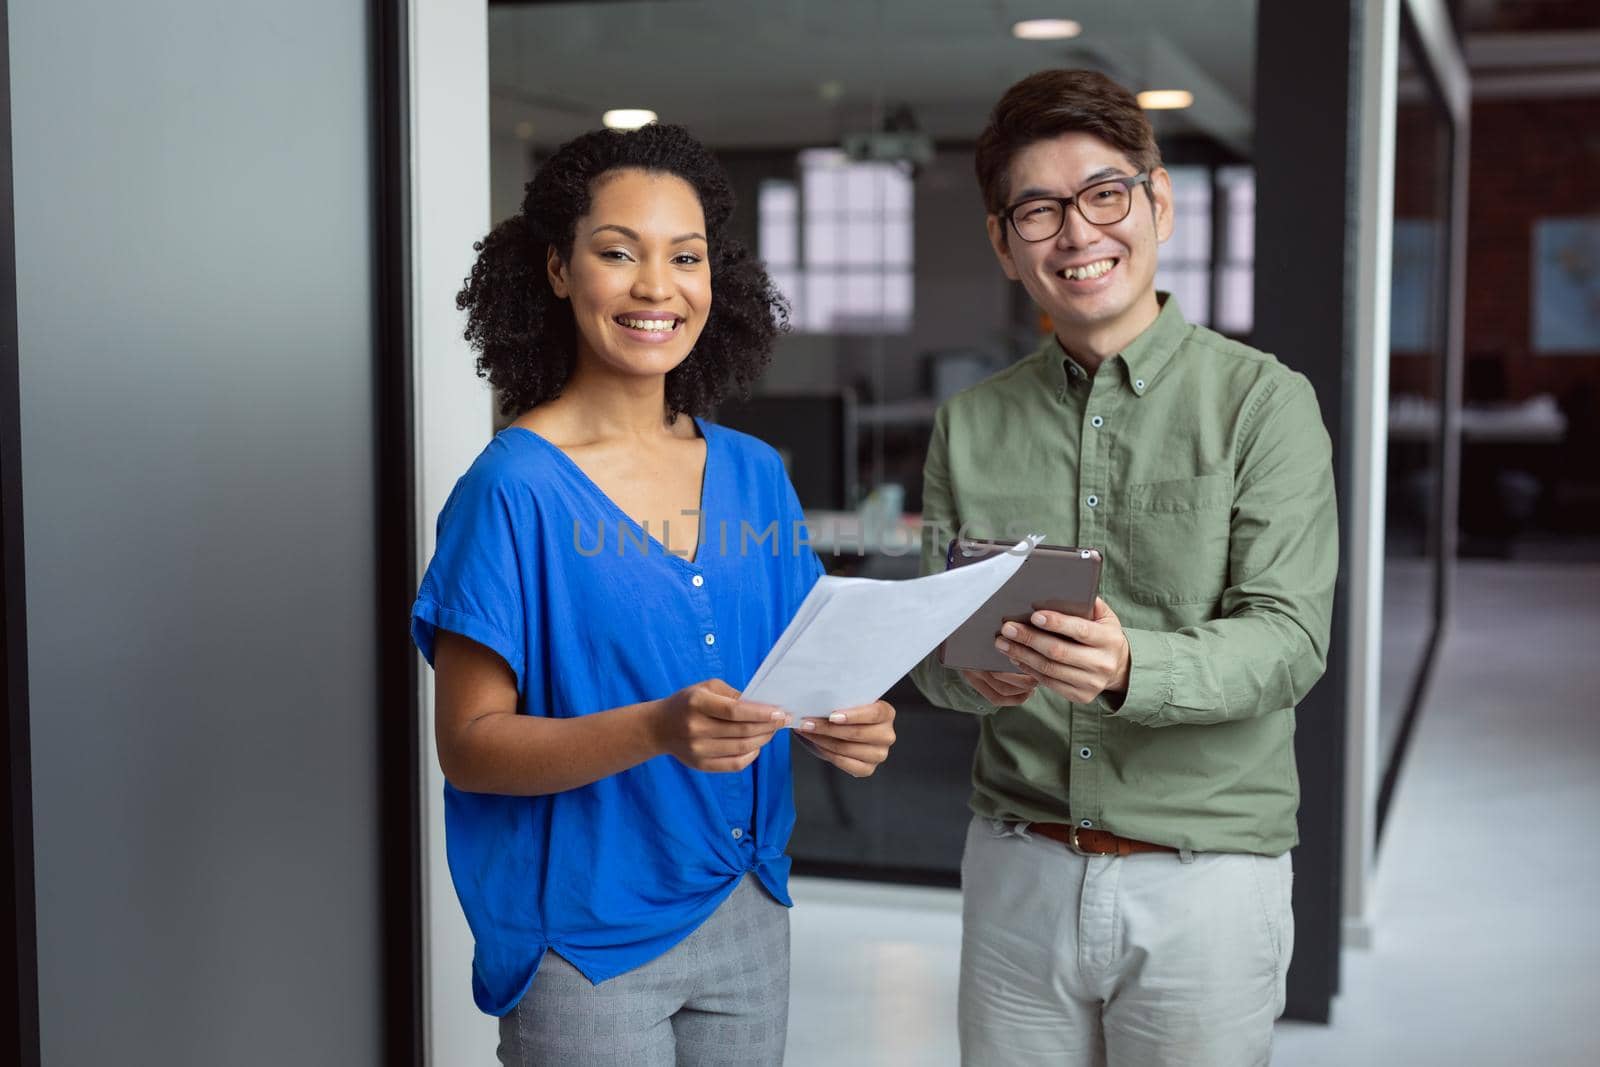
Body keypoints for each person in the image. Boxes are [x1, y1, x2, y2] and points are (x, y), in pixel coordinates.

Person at [411, 123, 897, 1066]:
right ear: (558, 270)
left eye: (686, 256)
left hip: (748, 906)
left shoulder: (757, 476)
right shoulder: (512, 489)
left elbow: (805, 669)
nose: (655, 287)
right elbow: (469, 749)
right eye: (617, 252)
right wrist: (656, 729)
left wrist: (854, 720)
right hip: (586, 942)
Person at [910, 69, 1338, 1066]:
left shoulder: (1262, 405)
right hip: (1016, 871)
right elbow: (930, 649)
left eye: (1104, 194)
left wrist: (1126, 665)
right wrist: (969, 671)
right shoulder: (968, 424)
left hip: (1203, 880)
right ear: (1003, 243)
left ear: (1159, 203)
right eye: (1038, 209)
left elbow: (1288, 642)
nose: (1076, 233)